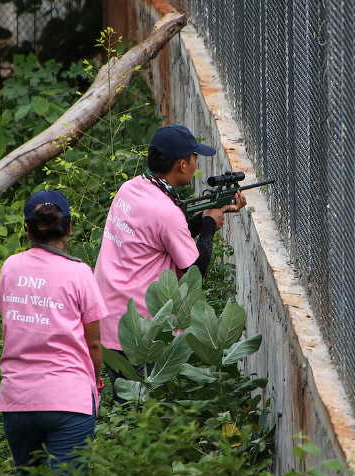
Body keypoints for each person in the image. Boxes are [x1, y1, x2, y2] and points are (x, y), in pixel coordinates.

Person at [94, 124, 246, 398]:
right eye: (194, 157)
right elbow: (194, 276)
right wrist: (209, 226)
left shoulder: (130, 189)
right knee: (148, 411)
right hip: (144, 332)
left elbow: (162, 236)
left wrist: (209, 214)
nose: (196, 162)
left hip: (109, 320)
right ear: (182, 165)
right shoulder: (167, 213)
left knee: (125, 407)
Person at [0, 190, 108, 476]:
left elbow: (9, 322)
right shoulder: (79, 273)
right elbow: (95, 344)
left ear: (27, 230)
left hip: (17, 400)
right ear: (69, 229)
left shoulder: (10, 268)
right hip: (69, 401)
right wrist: (96, 381)